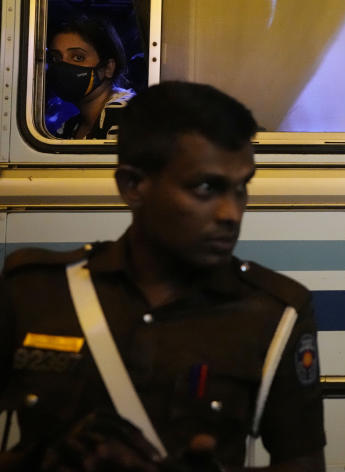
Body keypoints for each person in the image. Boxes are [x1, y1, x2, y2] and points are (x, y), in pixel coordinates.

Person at [0, 82, 325, 472]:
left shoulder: (275, 313)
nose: (231, 213)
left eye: (241, 189)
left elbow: (302, 462)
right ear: (132, 186)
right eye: (206, 187)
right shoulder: (36, 292)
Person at [45, 15, 136, 140]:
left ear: (108, 68)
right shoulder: (71, 125)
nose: (63, 66)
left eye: (78, 57)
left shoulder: (124, 115)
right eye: (55, 58)